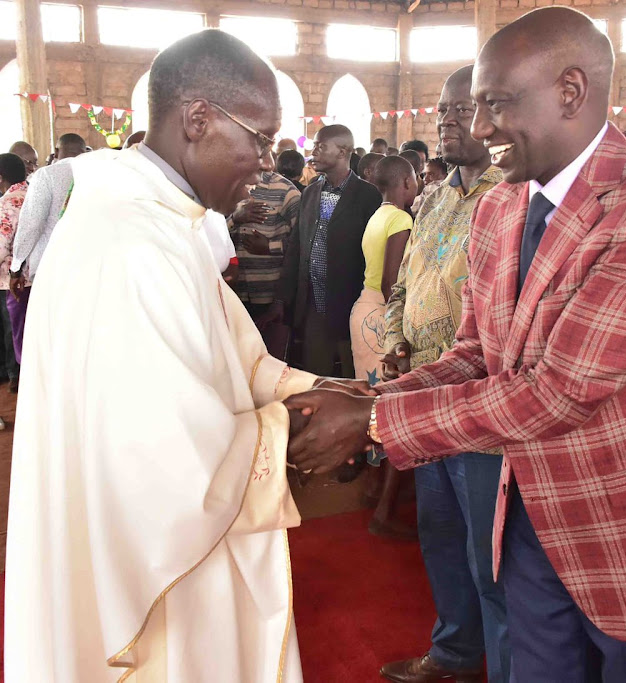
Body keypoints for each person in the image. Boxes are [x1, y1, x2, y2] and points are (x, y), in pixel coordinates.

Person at [283, 8, 626, 683]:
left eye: (495, 104)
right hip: (527, 519)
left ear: (571, 91)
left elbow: (560, 388)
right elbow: (478, 351)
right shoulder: (502, 206)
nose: (479, 129)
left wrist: (377, 420)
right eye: (475, 108)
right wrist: (373, 394)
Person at [4, 29, 368, 682]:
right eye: (257, 139)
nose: (263, 163)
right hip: (153, 578)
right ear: (198, 118)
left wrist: (331, 388)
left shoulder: (160, 220)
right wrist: (301, 427)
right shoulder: (129, 242)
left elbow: (234, 359)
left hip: (160, 553)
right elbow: (164, 456)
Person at [379, 65, 510, 683]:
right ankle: (455, 654)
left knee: (492, 558)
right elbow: (403, 284)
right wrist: (394, 341)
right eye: (442, 110)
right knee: (439, 530)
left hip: (482, 404)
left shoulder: (509, 195)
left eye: (461, 110)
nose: (447, 120)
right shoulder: (431, 196)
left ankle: (506, 667)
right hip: (424, 395)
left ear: (493, 115)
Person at [270, 124, 381, 377]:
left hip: (350, 304)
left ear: (343, 152)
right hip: (313, 305)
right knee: (315, 374)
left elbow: (375, 255)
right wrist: (283, 297)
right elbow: (296, 247)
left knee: (354, 374)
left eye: (321, 146)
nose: (313, 152)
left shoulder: (367, 196)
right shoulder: (310, 193)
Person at [349, 155, 416, 538]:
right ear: (406, 182)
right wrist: (401, 333)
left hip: (363, 309)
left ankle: (372, 489)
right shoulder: (403, 219)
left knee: (374, 402)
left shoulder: (378, 214)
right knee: (394, 408)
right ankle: (385, 511)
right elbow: (394, 280)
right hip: (382, 315)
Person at [8, 132, 87, 364]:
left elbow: (31, 224)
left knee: (52, 334)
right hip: (87, 266)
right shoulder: (98, 173)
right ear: (83, 151)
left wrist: (16, 267)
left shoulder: (47, 175)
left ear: (56, 151)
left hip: (50, 269)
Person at [230, 169, 301, 322]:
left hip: (270, 293)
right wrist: (234, 219)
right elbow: (207, 233)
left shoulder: (285, 189)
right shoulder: (225, 184)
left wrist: (271, 246)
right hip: (232, 291)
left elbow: (302, 242)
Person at [0, 153, 28, 395]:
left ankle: (18, 373)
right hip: (35, 274)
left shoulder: (9, 200)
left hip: (12, 279)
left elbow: (3, 241)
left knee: (13, 329)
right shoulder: (33, 191)